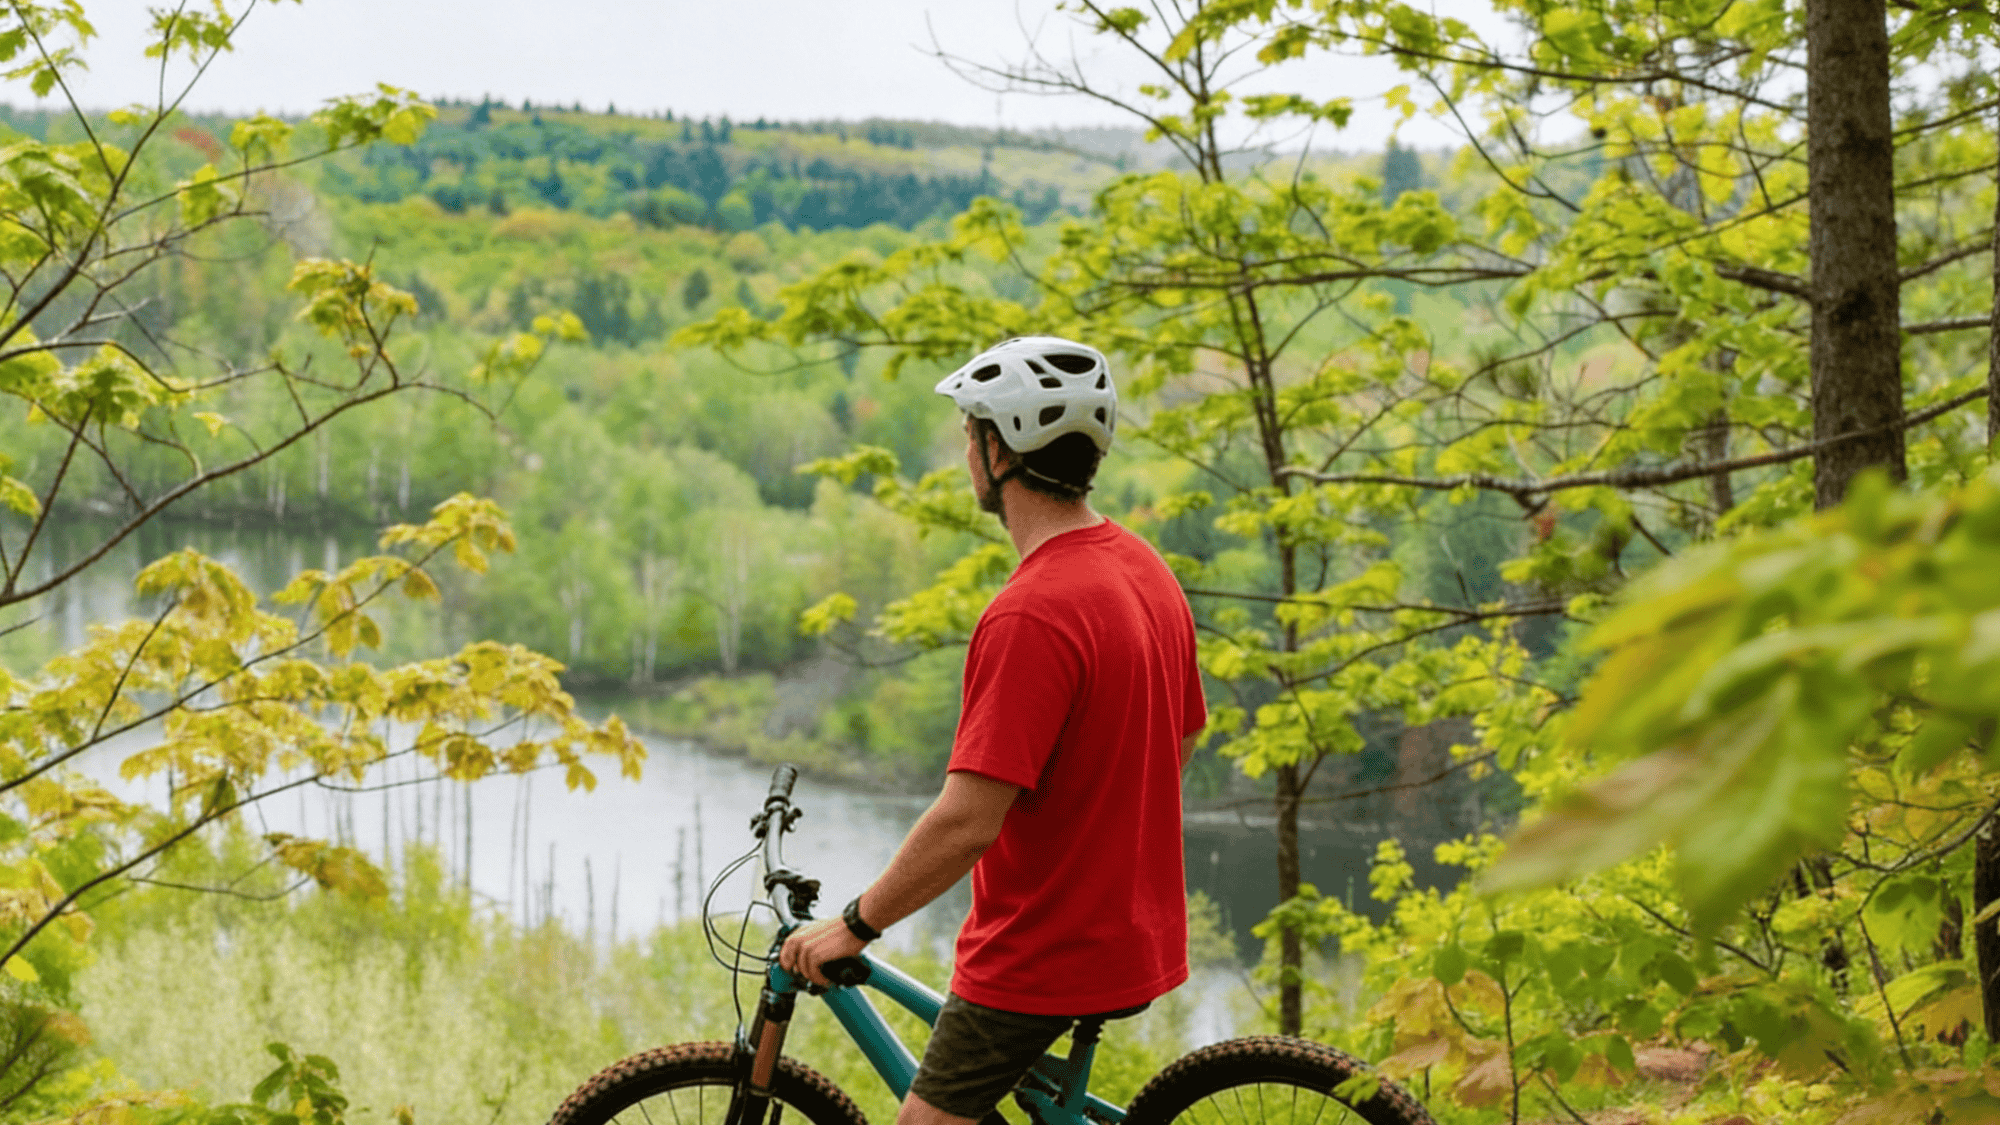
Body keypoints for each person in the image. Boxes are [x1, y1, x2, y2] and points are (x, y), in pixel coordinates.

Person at [779, 336, 1206, 1125]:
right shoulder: (1145, 568)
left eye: (968, 429)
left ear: (1000, 449)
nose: (964, 446)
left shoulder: (1031, 612)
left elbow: (968, 820)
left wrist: (855, 923)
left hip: (1043, 955)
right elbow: (1178, 739)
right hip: (1130, 934)